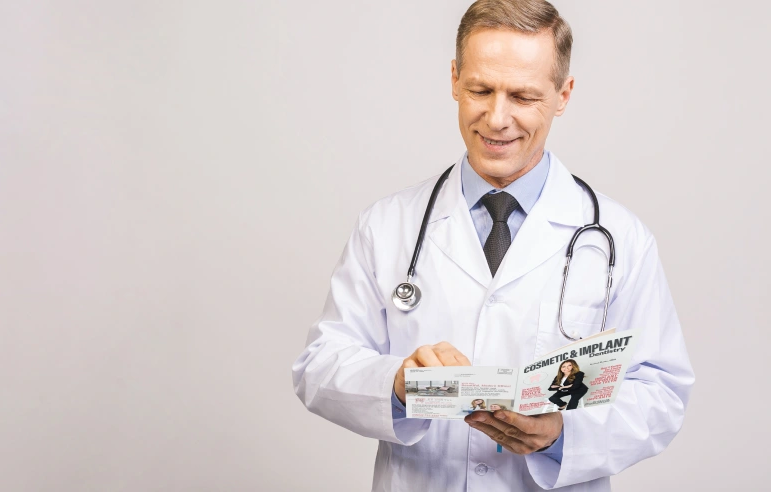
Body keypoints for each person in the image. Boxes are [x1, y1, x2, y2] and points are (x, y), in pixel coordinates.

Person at [292, 0, 694, 490]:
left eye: (523, 96)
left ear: (563, 95)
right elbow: (320, 366)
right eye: (480, 90)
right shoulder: (387, 225)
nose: (497, 118)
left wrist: (561, 434)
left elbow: (661, 392)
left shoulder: (620, 237)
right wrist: (397, 384)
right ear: (454, 79)